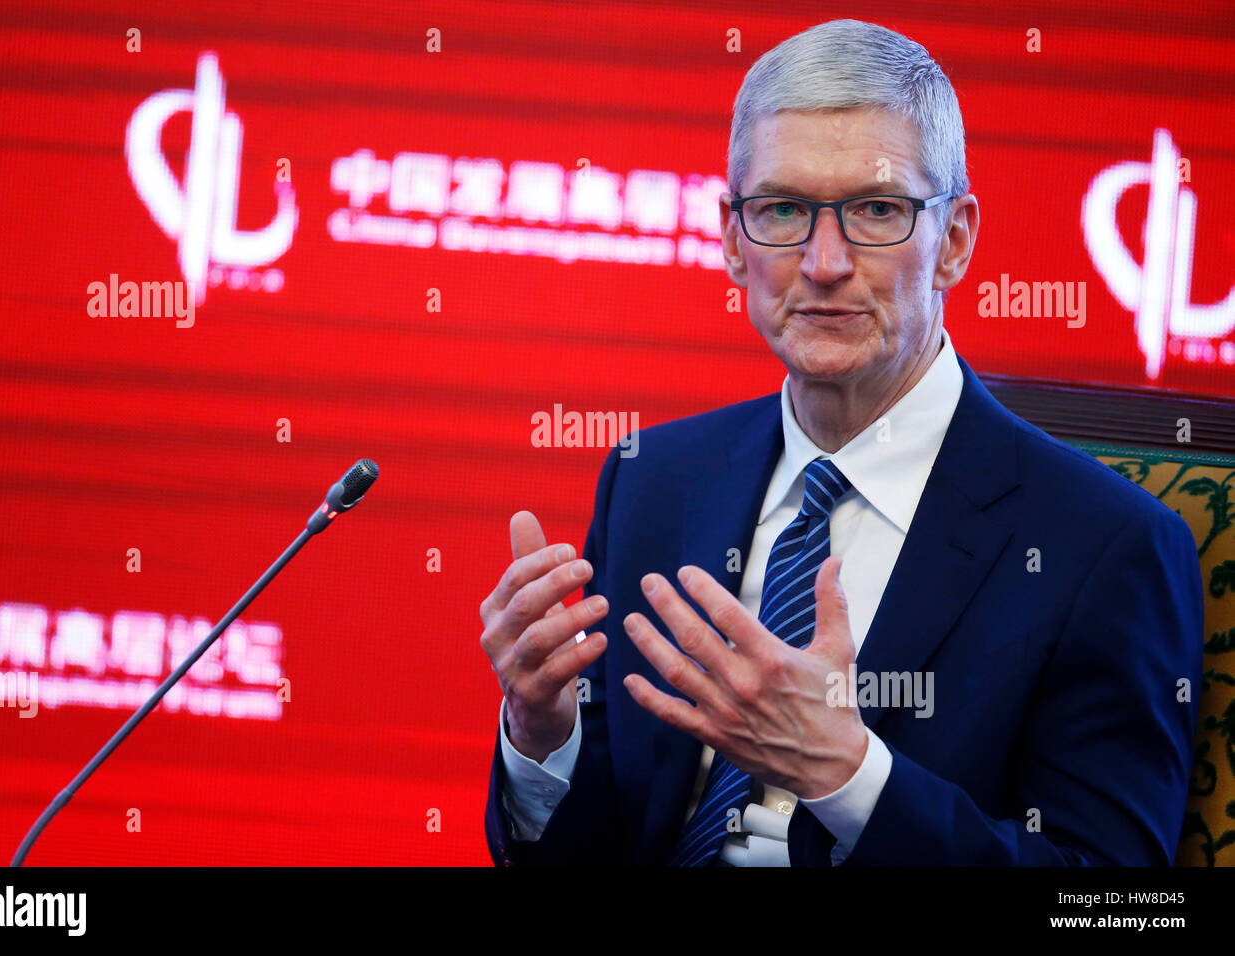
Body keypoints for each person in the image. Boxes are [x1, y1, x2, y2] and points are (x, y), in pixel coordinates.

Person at [479, 18, 1203, 866]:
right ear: (730, 239)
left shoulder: (1103, 546)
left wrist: (850, 775)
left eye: (876, 211)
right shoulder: (654, 481)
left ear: (955, 241)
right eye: (782, 210)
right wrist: (541, 737)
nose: (824, 262)